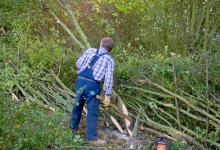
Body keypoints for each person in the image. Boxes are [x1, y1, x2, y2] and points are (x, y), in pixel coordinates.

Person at [70, 37, 115, 146]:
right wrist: (107, 95)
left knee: (77, 105)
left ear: (100, 44)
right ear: (110, 49)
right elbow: (108, 78)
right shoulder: (109, 60)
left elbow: (78, 63)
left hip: (80, 81)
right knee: (92, 111)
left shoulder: (89, 50)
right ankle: (91, 138)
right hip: (92, 85)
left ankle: (72, 130)